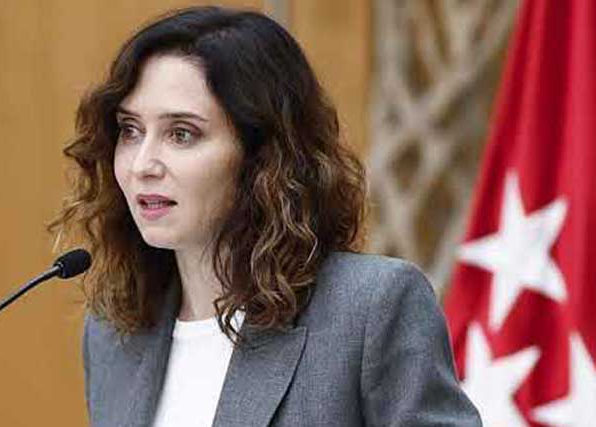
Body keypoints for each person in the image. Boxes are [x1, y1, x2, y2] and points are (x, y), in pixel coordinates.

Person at [49, 6, 482, 427]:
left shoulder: (370, 308)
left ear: (262, 156)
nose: (142, 164)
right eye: (130, 130)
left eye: (181, 134)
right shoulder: (113, 334)